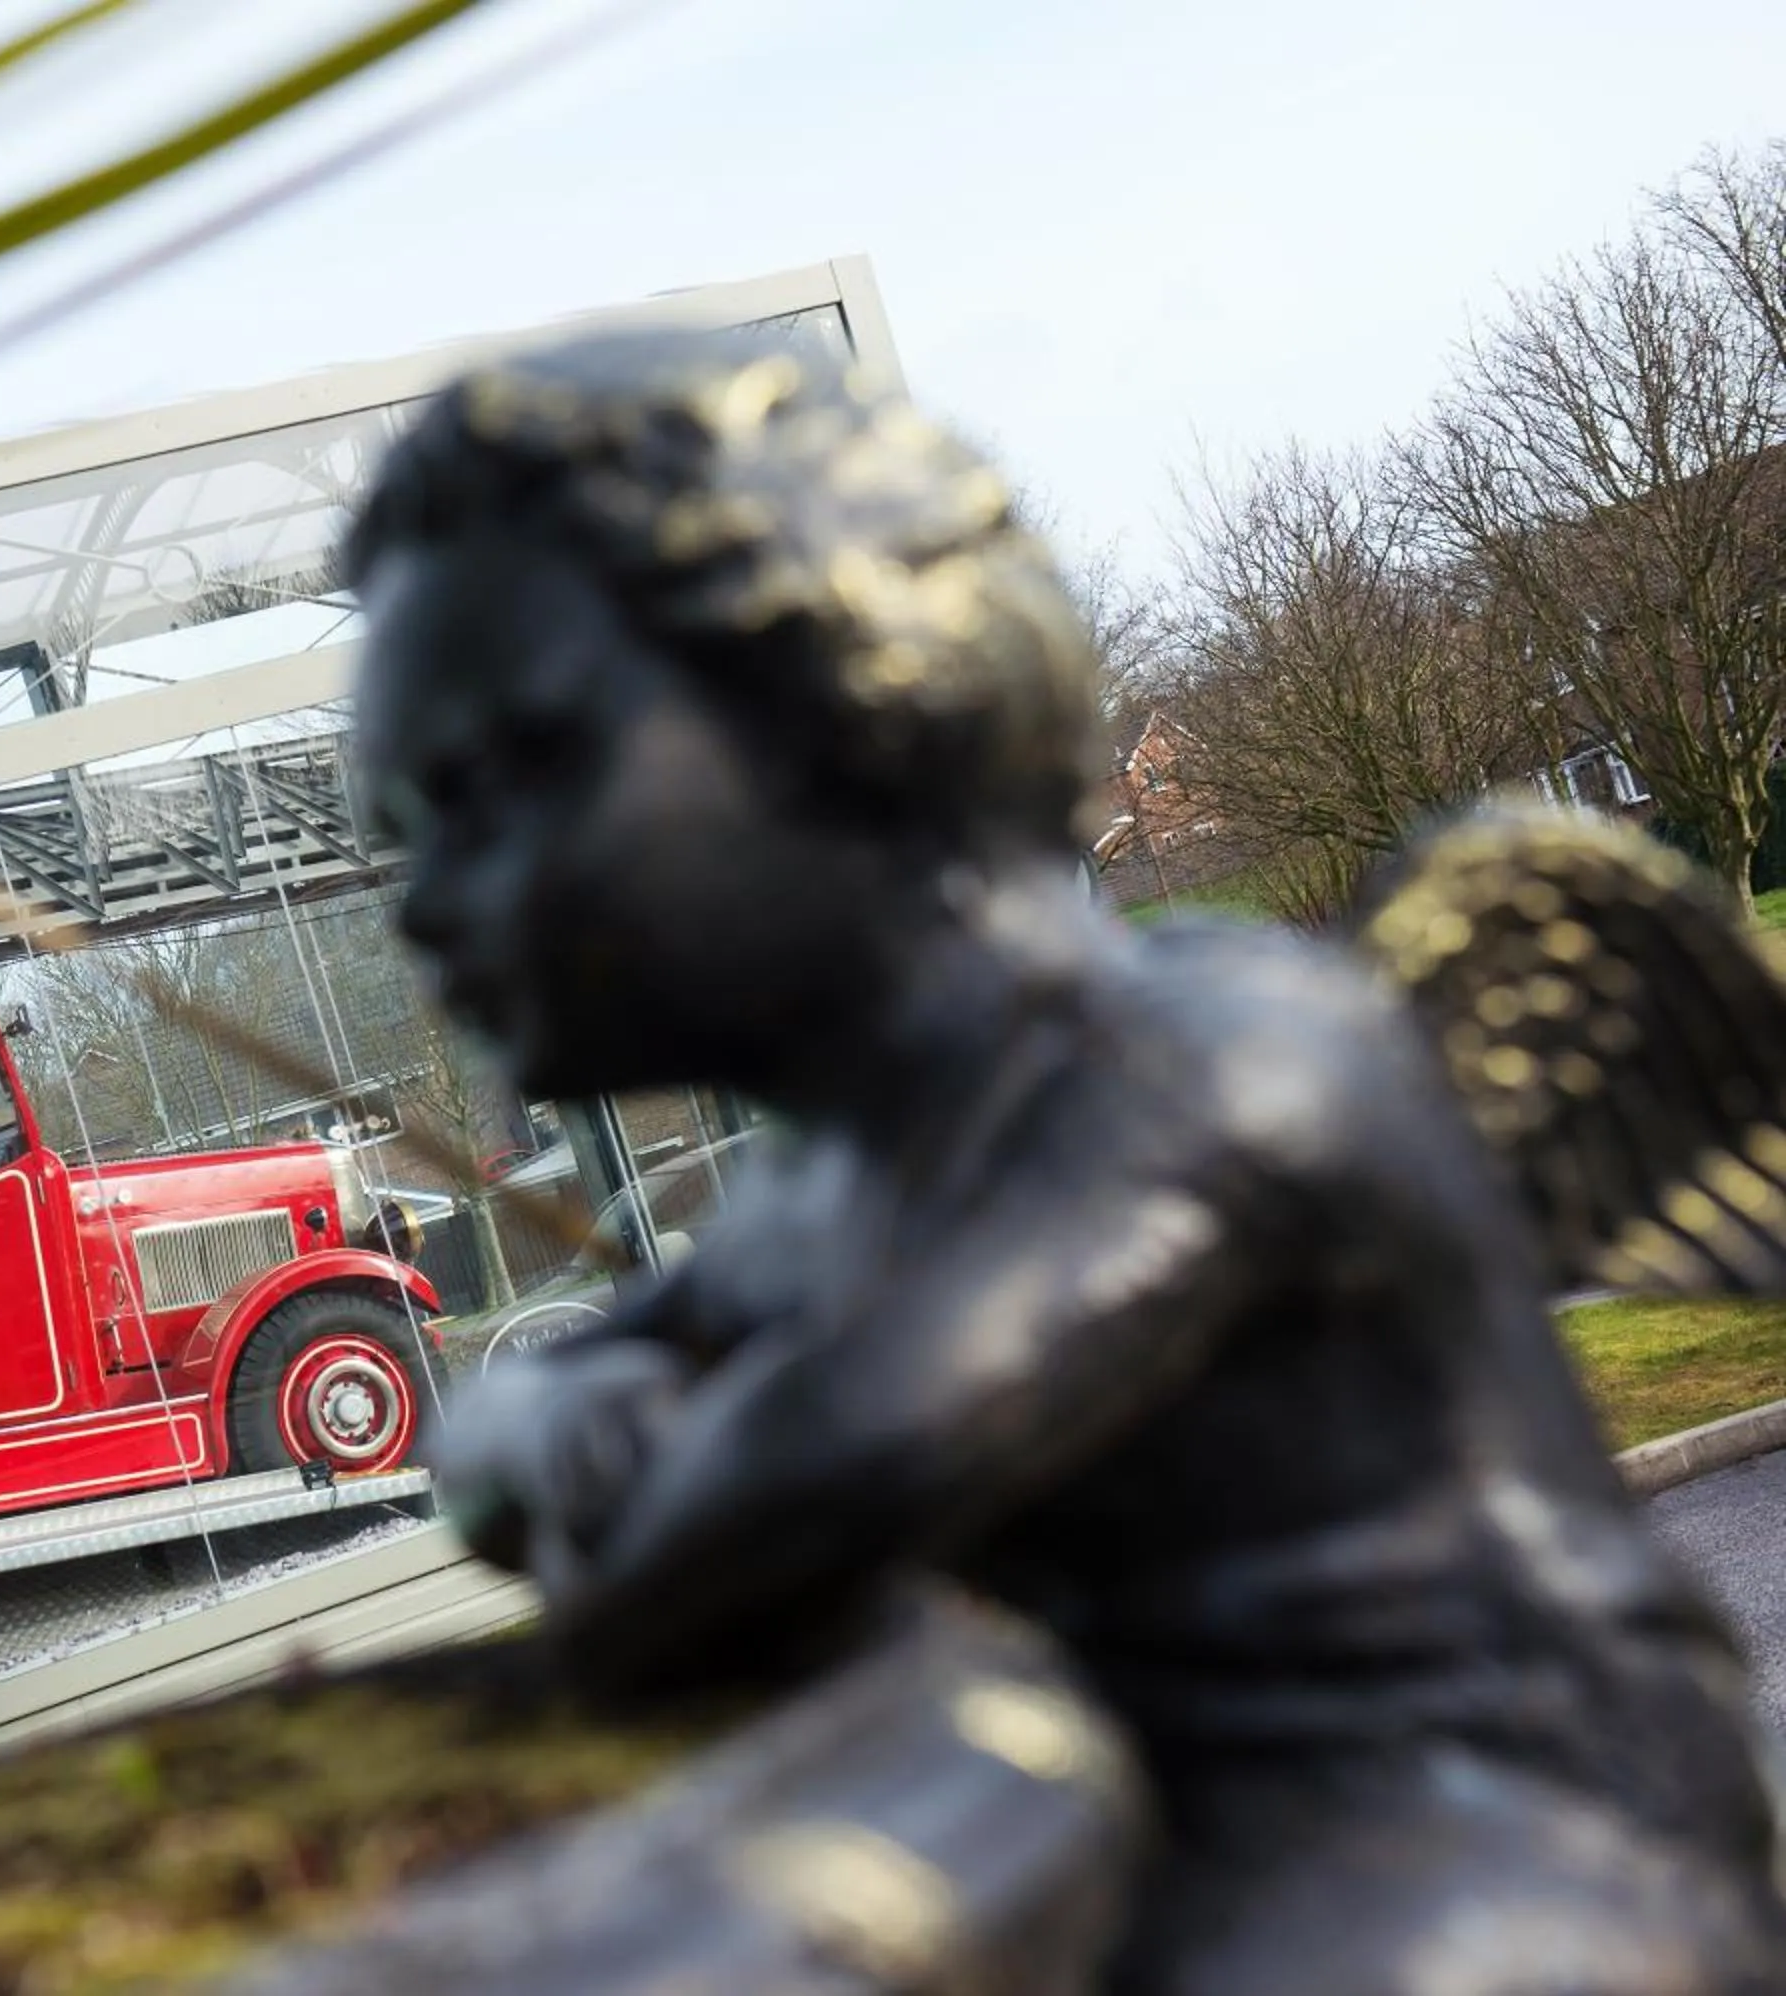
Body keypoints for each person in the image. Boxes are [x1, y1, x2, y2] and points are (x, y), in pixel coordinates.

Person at [344, 327, 1786, 1993]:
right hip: (1157, 1809)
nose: (430, 902)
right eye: (407, 829)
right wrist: (554, 1419)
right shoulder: (833, 1183)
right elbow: (507, 1433)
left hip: (1525, 1835)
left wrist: (612, 1459)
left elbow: (781, 1505)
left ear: (836, 691)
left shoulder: (1203, 1061)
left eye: (501, 780)